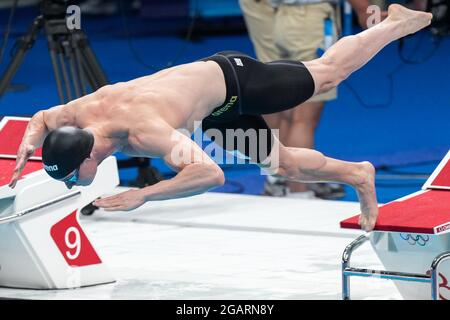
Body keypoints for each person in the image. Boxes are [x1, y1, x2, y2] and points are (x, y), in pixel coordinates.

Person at [9, 5, 432, 232]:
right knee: (281, 163)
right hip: (214, 112)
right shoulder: (77, 115)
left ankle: (394, 24)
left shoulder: (144, 130)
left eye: (69, 176)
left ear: (87, 159)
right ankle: (359, 174)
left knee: (327, 75)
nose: (70, 184)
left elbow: (209, 174)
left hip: (236, 80)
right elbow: (44, 116)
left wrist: (146, 195)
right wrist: (29, 142)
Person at [239, 0, 385, 199]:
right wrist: (365, 11)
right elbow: (366, 11)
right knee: (303, 118)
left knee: (275, 95)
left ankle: (277, 177)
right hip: (306, 18)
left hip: (273, 13)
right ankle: (299, 192)